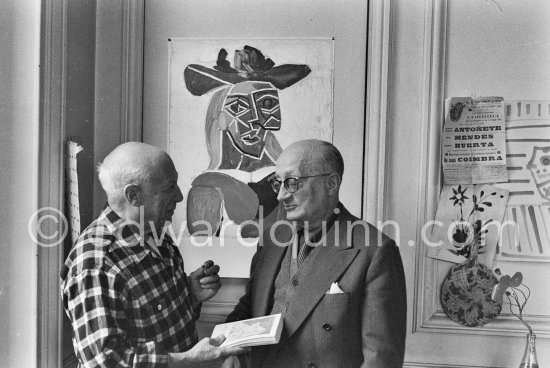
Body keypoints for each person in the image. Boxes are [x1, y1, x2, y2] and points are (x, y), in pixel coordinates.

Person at [60, 142, 249, 367]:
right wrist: (188, 359)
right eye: (170, 187)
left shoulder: (156, 234)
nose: (179, 196)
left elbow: (153, 322)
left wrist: (191, 296)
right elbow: (103, 362)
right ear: (134, 195)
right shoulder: (95, 264)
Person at [224, 139, 407, 368]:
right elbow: (250, 307)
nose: (281, 195)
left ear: (331, 183)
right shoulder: (271, 239)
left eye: (292, 182)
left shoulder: (375, 250)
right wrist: (228, 349)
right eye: (277, 183)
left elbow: (381, 359)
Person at [183, 45, 311, 238]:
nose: (253, 121)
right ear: (221, 118)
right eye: (238, 107)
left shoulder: (287, 180)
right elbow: (204, 251)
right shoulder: (207, 188)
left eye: (266, 105)